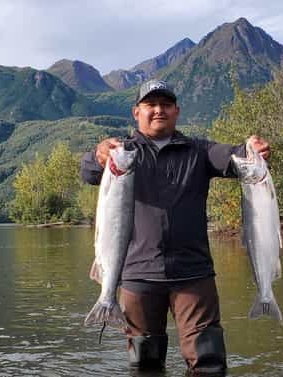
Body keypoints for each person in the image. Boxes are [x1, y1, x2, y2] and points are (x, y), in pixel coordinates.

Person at [79, 79, 270, 375]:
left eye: (165, 105)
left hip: (193, 275)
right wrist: (98, 154)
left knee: (208, 364)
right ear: (136, 112)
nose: (158, 110)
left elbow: (233, 156)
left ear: (177, 111)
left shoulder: (199, 151)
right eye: (150, 105)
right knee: (145, 365)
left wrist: (249, 149)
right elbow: (88, 171)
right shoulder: (122, 153)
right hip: (137, 276)